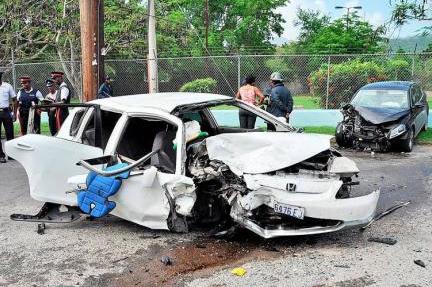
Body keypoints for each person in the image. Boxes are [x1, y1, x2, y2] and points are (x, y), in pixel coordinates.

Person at [0, 69, 17, 163]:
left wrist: (14, 113)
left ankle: (11, 154)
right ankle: (0, 155)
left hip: (6, 112)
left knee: (10, 133)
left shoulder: (7, 86)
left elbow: (14, 99)